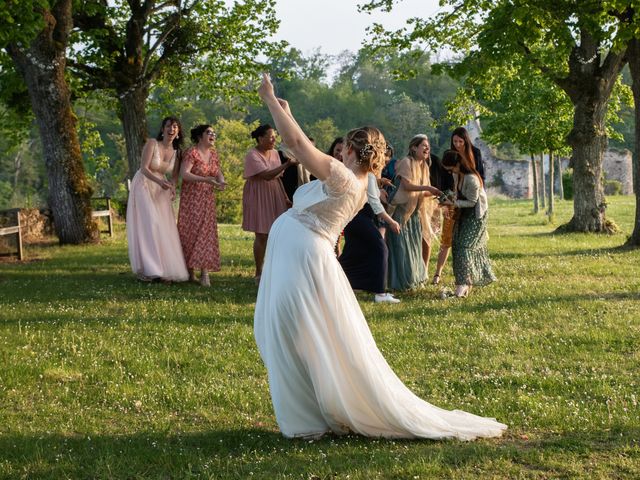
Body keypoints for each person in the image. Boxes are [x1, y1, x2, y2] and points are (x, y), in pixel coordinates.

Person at [254, 72, 506, 440]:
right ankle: (311, 411)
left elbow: (295, 142)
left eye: (345, 148)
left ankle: (306, 420)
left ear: (355, 151)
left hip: (302, 255)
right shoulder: (351, 179)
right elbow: (299, 144)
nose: (338, 152)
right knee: (294, 331)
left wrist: (269, 99)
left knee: (291, 331)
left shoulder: (344, 177)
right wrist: (285, 111)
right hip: (299, 253)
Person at [126, 116, 188, 283]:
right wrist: (161, 182)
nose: (171, 129)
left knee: (163, 226)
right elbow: (144, 168)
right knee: (150, 223)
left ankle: (163, 269)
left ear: (178, 131)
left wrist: (173, 188)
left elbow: (174, 177)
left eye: (175, 127)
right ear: (163, 129)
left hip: (161, 189)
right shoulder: (152, 144)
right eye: (168, 126)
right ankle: (150, 269)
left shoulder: (178, 153)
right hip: (144, 184)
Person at [386, 135, 441, 291]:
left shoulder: (424, 166)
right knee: (401, 248)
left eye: (428, 146)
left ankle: (413, 280)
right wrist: (428, 188)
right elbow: (407, 185)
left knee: (414, 247)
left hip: (415, 213)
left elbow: (421, 192)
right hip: (401, 212)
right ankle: (401, 283)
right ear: (413, 148)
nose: (427, 148)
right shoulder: (406, 162)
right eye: (423, 145)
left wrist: (435, 193)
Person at [242, 124, 294, 285]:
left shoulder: (274, 154)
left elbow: (277, 177)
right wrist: (287, 164)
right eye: (270, 136)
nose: (273, 140)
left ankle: (275, 270)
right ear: (260, 138)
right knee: (262, 234)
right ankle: (259, 271)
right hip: (259, 194)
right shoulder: (252, 154)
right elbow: (265, 175)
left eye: (274, 136)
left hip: (275, 192)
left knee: (277, 233)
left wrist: (285, 197)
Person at [339, 170, 401, 303]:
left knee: (353, 252)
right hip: (360, 216)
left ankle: (336, 283)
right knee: (381, 249)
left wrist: (378, 182)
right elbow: (375, 203)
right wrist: (391, 221)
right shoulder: (369, 174)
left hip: (353, 217)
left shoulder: (358, 172)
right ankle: (380, 293)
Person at [441, 149, 496, 297]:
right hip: (463, 212)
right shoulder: (456, 174)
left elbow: (472, 202)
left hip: (476, 215)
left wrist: (453, 203)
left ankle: (464, 284)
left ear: (458, 164)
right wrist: (448, 198)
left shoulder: (472, 179)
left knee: (465, 247)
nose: (450, 172)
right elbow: (457, 194)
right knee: (456, 245)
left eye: (451, 168)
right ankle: (463, 283)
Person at [177, 124, 226, 287]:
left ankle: (204, 273)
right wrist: (205, 180)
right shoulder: (192, 152)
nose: (213, 135)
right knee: (191, 232)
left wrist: (221, 181)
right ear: (200, 136)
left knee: (206, 233)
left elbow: (217, 171)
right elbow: (185, 174)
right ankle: (189, 272)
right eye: (209, 132)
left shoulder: (213, 153)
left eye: (214, 133)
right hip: (192, 198)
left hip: (207, 198)